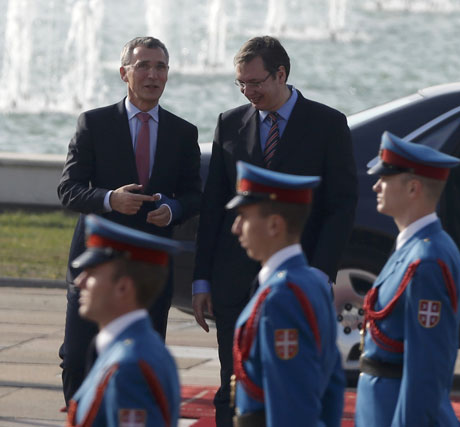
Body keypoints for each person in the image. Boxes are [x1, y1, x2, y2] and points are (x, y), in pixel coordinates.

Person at [191, 35, 357, 425]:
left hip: (299, 280)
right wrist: (201, 279)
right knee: (233, 385)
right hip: (233, 282)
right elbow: (214, 208)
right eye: (241, 84)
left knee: (289, 384)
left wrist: (319, 272)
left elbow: (341, 205)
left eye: (256, 82)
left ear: (281, 74)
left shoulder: (327, 124)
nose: (249, 92)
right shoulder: (229, 124)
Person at [58, 36, 202, 404]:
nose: (153, 75)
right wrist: (109, 199)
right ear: (125, 73)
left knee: (141, 365)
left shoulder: (183, 133)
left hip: (149, 270)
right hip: (96, 264)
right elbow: (69, 189)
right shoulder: (94, 123)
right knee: (77, 357)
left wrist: (173, 210)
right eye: (143, 66)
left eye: (161, 67)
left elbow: (192, 195)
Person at [354, 131, 460, 426]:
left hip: (400, 412)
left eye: (386, 178)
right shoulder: (414, 247)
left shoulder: (427, 260)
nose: (376, 185)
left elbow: (426, 367)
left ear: (413, 188)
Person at [227, 161, 345, 426]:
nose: (235, 227)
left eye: (243, 216)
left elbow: (291, 407)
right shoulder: (312, 282)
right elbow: (333, 386)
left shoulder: (281, 297)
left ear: (274, 225)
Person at [66, 214, 182, 427]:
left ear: (123, 288)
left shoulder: (129, 367)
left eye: (91, 273)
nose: (80, 281)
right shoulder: (129, 348)